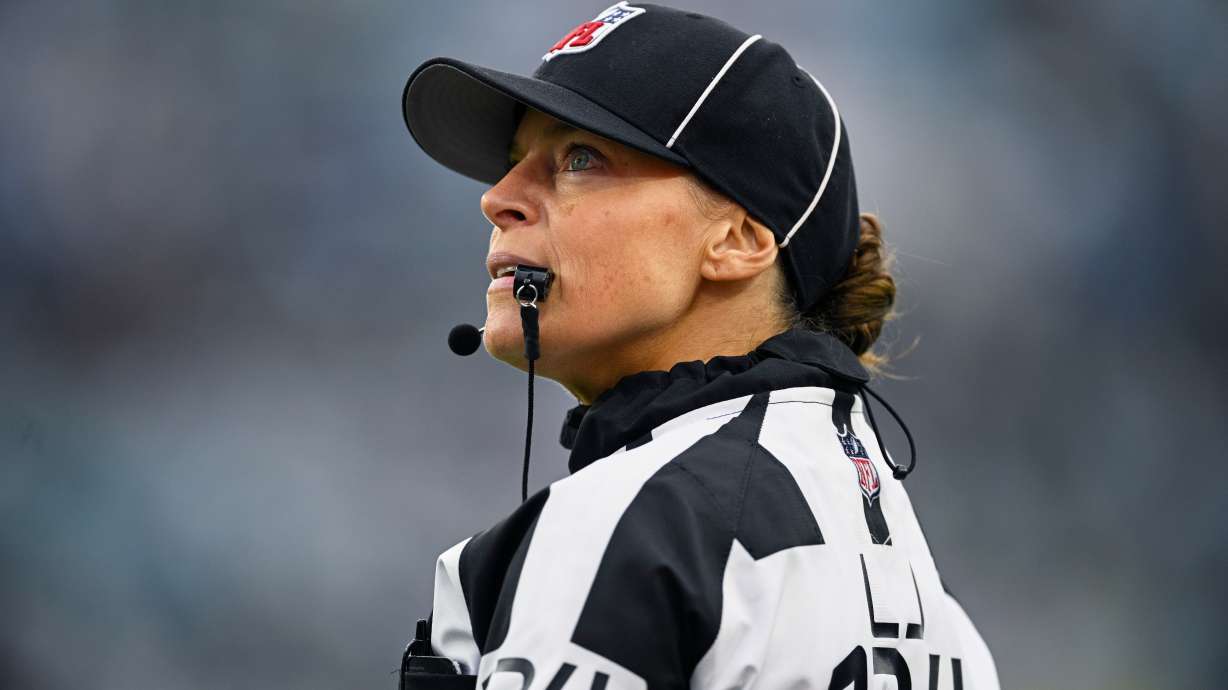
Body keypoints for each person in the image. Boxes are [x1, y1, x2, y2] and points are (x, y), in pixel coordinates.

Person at [399, 3, 999, 689]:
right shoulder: (937, 609)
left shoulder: (621, 532)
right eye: (513, 164)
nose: (497, 198)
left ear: (738, 241)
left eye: (580, 158)